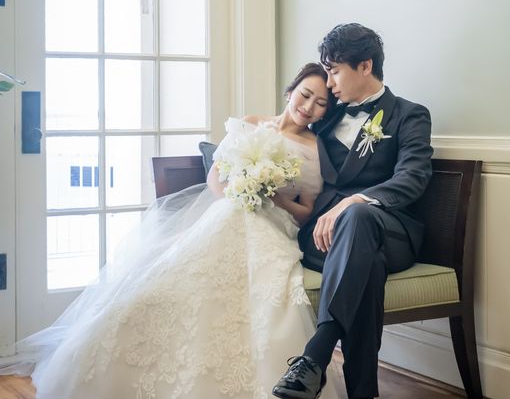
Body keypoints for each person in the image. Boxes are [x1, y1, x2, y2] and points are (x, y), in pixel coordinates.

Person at [2, 63, 343, 399]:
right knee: (160, 284)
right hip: (229, 211)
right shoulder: (252, 123)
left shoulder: (314, 148)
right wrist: (241, 193)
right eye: (305, 95)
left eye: (320, 104)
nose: (308, 107)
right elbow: (216, 178)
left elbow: (305, 211)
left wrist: (273, 197)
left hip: (272, 226)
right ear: (290, 91)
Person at [273, 24, 433, 399]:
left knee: (358, 219)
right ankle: (362, 393)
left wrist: (355, 200)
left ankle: (315, 353)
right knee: (367, 265)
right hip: (323, 239)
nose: (328, 83)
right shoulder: (327, 114)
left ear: (364, 66)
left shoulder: (409, 115)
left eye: (334, 71)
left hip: (389, 231)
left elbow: (413, 177)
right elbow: (287, 129)